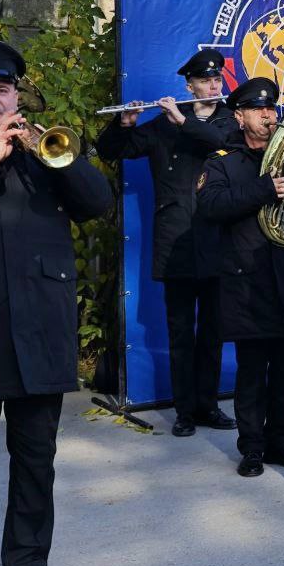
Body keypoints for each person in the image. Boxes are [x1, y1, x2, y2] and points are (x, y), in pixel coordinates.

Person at [0, 41, 113, 566]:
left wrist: (59, 160)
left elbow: (98, 204)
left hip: (38, 332)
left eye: (3, 91)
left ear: (17, 94)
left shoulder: (43, 148)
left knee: (35, 461)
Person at [95, 48, 237, 437]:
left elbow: (217, 145)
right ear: (188, 85)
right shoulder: (162, 126)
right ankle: (185, 412)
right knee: (180, 334)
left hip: (217, 240)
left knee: (213, 332)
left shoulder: (229, 121)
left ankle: (209, 406)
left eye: (215, 80)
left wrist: (182, 120)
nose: (211, 85)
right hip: (175, 241)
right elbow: (112, 152)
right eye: (203, 81)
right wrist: (124, 125)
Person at [196, 77, 284, 478]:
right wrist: (265, 189)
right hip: (248, 279)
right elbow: (210, 206)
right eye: (259, 109)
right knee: (252, 370)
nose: (270, 115)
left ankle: (281, 442)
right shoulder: (222, 161)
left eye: (272, 109)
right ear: (240, 116)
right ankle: (251, 447)